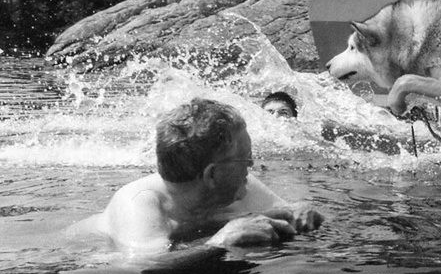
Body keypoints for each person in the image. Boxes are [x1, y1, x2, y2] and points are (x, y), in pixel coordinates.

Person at [87, 97, 323, 256]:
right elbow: (144, 264)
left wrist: (302, 210)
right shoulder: (139, 202)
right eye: (246, 157)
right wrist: (220, 241)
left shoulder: (239, 186)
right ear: (212, 175)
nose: (252, 164)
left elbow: (291, 210)